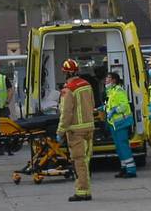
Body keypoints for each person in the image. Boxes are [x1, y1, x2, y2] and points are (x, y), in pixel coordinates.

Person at [57, 59, 95, 202]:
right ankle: (86, 190)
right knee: (85, 161)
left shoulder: (68, 89)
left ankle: (81, 192)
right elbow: (92, 104)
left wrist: (60, 131)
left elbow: (66, 112)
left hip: (75, 131)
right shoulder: (86, 85)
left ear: (66, 73)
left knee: (79, 161)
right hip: (89, 127)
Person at [103, 71, 137, 178]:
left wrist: (114, 111)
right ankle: (124, 168)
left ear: (114, 80)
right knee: (119, 147)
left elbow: (124, 106)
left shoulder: (119, 91)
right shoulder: (111, 92)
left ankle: (131, 170)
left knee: (123, 146)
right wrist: (103, 108)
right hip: (114, 124)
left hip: (121, 123)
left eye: (108, 78)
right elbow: (110, 105)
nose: (106, 80)